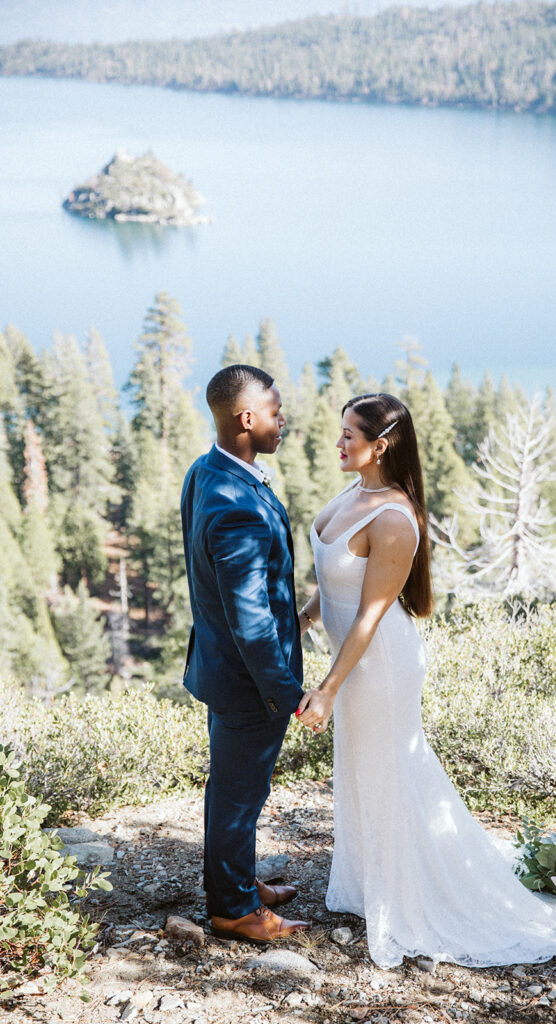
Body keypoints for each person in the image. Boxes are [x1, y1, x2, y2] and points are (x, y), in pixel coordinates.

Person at [296, 392, 556, 969]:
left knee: (392, 770)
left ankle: (410, 896)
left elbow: (370, 614)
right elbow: (340, 578)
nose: (339, 442)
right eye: (342, 431)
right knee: (361, 767)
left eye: (350, 433)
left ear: (382, 444)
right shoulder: (356, 492)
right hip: (353, 660)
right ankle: (375, 882)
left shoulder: (393, 518)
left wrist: (328, 687)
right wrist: (305, 617)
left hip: (379, 666)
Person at [181, 364, 310, 943]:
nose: (284, 422)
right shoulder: (234, 505)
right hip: (247, 683)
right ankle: (233, 909)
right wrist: (286, 693)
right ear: (247, 418)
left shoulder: (207, 471)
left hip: (222, 669)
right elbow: (249, 619)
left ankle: (238, 880)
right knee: (237, 795)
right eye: (277, 413)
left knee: (232, 789)